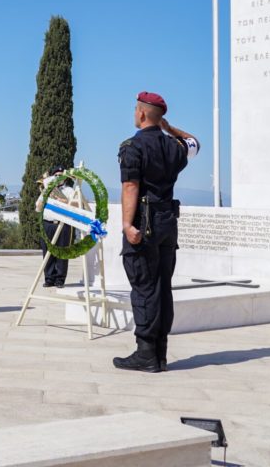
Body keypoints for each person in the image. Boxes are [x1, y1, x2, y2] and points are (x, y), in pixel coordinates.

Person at [113, 91, 199, 374]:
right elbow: (194, 142)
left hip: (144, 223)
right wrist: (169, 128)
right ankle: (159, 354)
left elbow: (130, 187)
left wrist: (127, 225)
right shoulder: (174, 147)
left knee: (144, 286)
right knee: (162, 286)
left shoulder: (132, 147)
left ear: (140, 113)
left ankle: (146, 354)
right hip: (167, 223)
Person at [36, 166, 76, 288]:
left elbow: (77, 204)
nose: (59, 178)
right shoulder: (46, 190)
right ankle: (49, 278)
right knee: (47, 251)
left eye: (61, 175)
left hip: (63, 225)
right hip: (47, 223)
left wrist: (63, 201)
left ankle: (60, 279)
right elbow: (38, 208)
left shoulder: (69, 191)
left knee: (62, 252)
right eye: (56, 175)